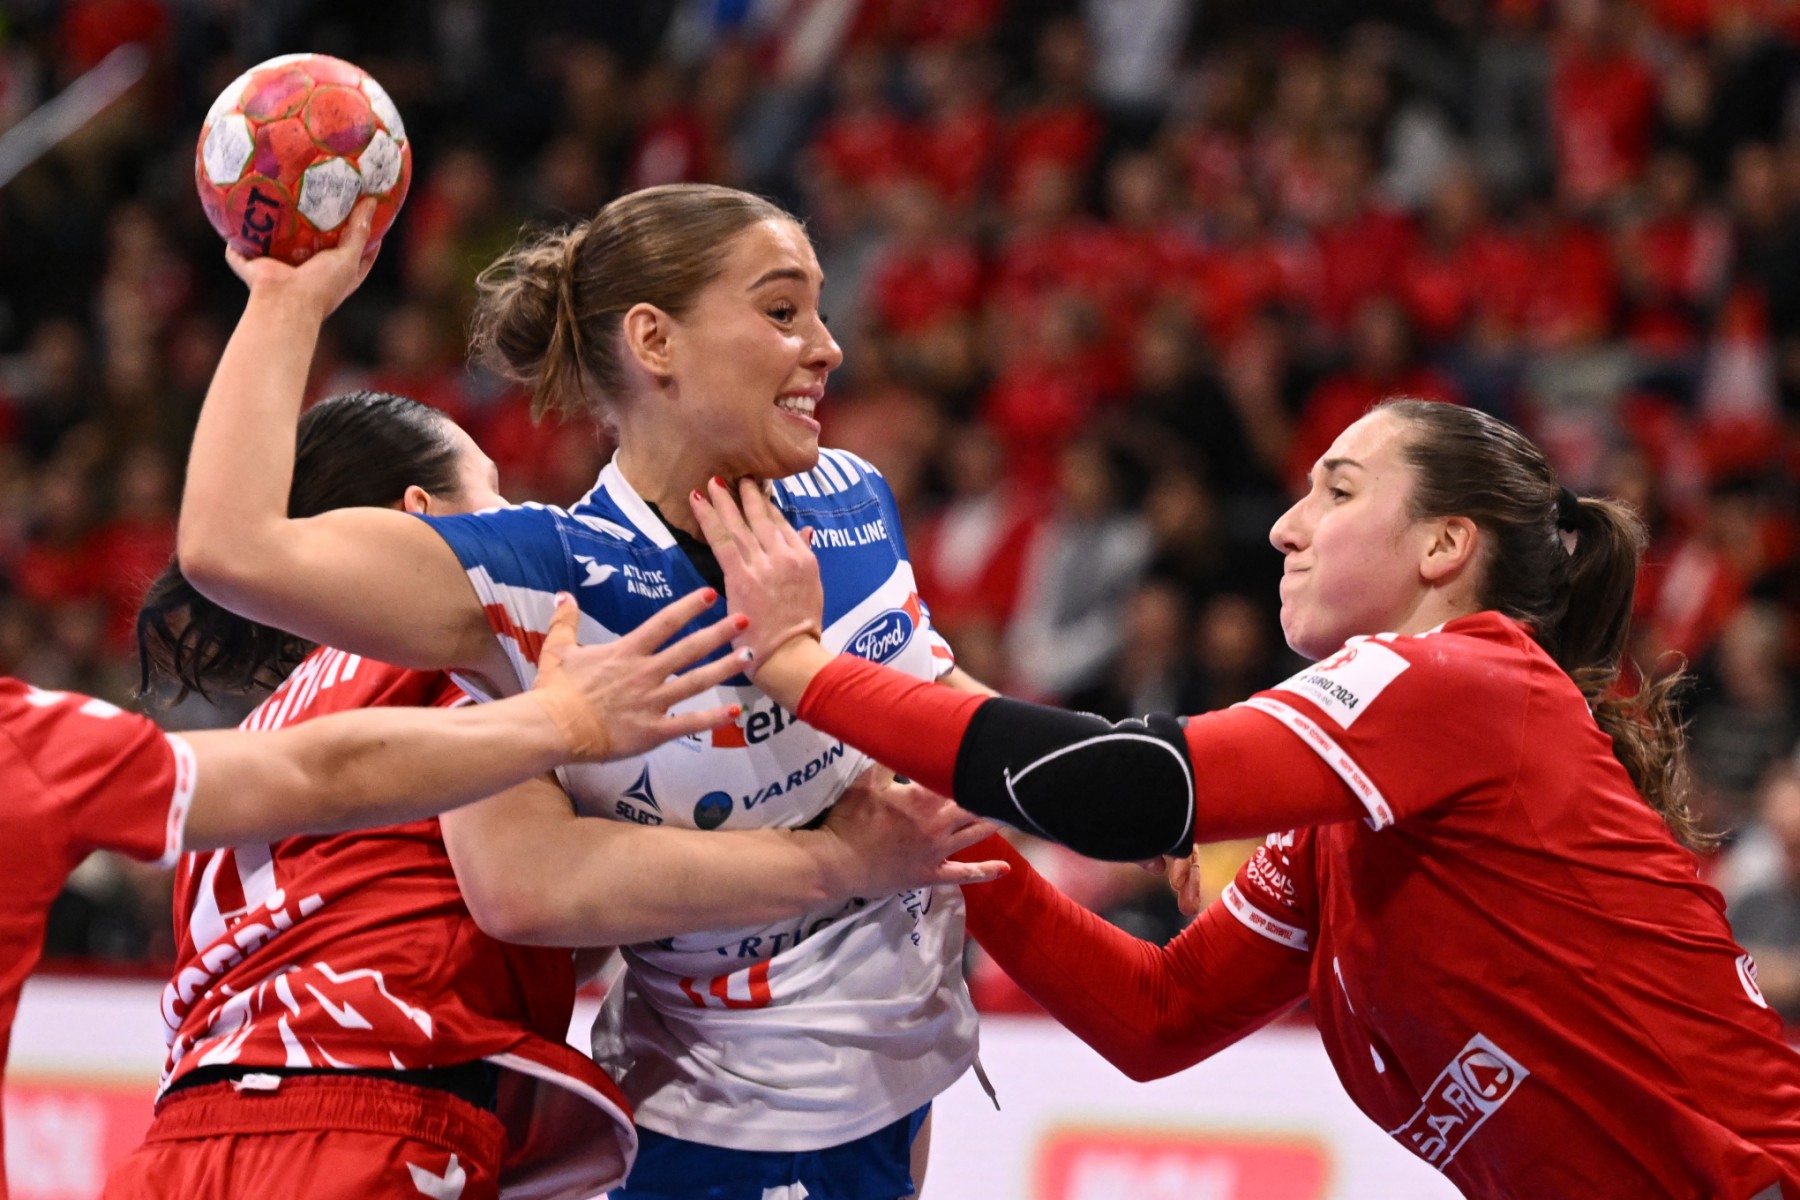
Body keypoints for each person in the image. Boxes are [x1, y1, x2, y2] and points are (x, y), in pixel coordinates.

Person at [692, 398, 1800, 1199]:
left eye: (1338, 490)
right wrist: (942, 846)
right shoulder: (1342, 824)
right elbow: (1157, 1017)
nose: (1284, 525)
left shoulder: (1466, 678)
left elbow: (1128, 788)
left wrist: (801, 668)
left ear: (1444, 545)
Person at [173, 188, 999, 1199]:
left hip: (907, 1079)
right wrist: (287, 299)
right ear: (654, 340)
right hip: (710, 1124)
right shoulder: (544, 577)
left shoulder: (853, 494)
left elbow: (940, 700)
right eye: (783, 311)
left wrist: (1120, 793)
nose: (827, 347)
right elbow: (232, 551)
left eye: (819, 311)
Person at [1, 584, 739, 1200]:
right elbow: (527, 897)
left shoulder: (259, 726)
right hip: (356, 1115)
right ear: (418, 508)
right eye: (486, 488)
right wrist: (803, 862)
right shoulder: (472, 636)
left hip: (184, 1131)